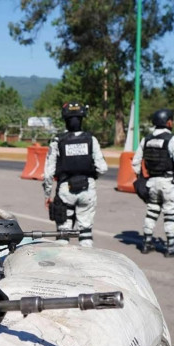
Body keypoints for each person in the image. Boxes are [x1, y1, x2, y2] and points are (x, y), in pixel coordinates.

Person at [42, 101, 108, 247]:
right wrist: (90, 176)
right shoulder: (91, 139)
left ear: (64, 119)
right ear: (82, 118)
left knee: (63, 235)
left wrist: (47, 196)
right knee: (85, 233)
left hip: (65, 190)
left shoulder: (57, 141)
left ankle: (62, 267)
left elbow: (48, 174)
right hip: (87, 189)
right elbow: (102, 168)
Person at [132, 109, 174, 257]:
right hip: (169, 183)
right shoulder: (172, 139)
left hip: (152, 182)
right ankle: (171, 247)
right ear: (168, 122)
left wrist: (141, 178)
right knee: (170, 215)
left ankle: (146, 244)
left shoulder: (146, 139)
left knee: (152, 212)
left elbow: (135, 162)